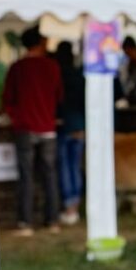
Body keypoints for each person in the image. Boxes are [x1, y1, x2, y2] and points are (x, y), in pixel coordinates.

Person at [2, 25, 64, 236]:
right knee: (49, 175)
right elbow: (59, 96)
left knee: (26, 176)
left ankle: (25, 222)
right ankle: (52, 220)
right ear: (40, 42)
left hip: (25, 129)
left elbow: (7, 99)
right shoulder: (52, 67)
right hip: (48, 128)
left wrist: (16, 117)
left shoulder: (17, 68)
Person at [55, 41, 85, 225]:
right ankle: (75, 206)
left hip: (64, 126)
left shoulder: (57, 74)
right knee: (75, 168)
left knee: (66, 168)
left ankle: (69, 208)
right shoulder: (79, 75)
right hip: (79, 126)